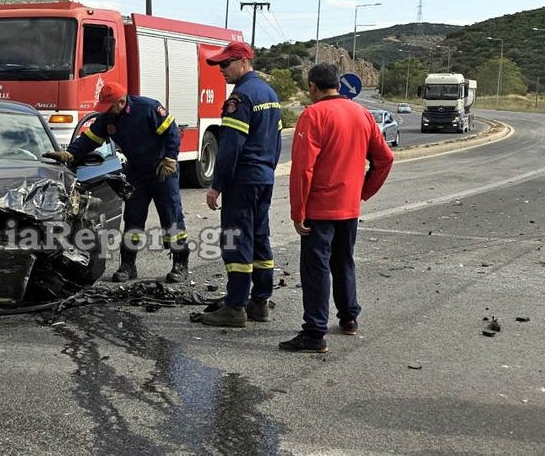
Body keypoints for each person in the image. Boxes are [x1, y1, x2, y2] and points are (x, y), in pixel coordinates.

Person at [280, 63, 394, 353]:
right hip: (349, 207)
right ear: (339, 85)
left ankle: (315, 333)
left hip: (320, 209)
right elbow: (385, 159)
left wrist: (298, 212)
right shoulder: (362, 114)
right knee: (344, 261)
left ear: (312, 87)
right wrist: (363, 192)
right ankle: (349, 318)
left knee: (316, 268)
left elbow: (303, 169)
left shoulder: (313, 115)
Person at [45, 82, 189, 283]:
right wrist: (70, 153)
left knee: (171, 216)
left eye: (109, 106)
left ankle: (180, 263)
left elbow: (171, 131)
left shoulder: (148, 108)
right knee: (133, 218)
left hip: (161, 170)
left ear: (121, 102)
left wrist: (170, 158)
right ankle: (128, 265)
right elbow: (90, 139)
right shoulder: (108, 118)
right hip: (136, 173)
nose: (106, 112)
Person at [200, 41, 282, 327]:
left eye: (225, 64)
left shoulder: (240, 97)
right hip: (263, 179)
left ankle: (235, 307)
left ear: (244, 62)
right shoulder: (269, 94)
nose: (221, 70)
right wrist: (267, 171)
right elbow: (276, 142)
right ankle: (260, 302)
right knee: (260, 237)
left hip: (242, 181)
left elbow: (231, 146)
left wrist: (217, 185)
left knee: (236, 241)